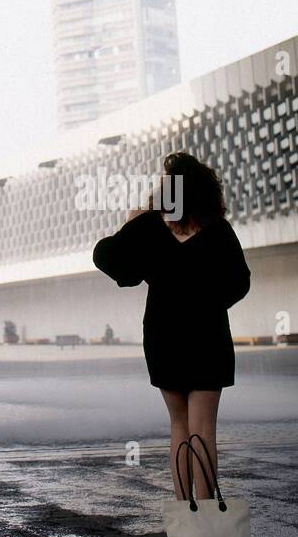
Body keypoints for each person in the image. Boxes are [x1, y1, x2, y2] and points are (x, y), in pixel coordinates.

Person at [92, 150, 251, 500]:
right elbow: (240, 282)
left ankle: (185, 510)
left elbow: (106, 257)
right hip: (207, 335)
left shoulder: (150, 226)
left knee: (179, 425)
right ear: (207, 192)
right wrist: (206, 302)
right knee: (203, 429)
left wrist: (133, 225)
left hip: (163, 335)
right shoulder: (218, 230)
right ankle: (207, 514)